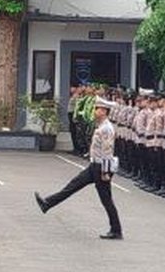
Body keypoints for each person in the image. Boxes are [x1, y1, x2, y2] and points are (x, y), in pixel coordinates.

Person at [34, 96, 123, 240]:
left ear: (104, 111)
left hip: (101, 167)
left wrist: (106, 172)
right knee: (74, 185)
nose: (95, 111)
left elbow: (108, 150)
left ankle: (116, 230)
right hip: (95, 165)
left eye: (98, 109)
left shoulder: (106, 128)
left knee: (106, 200)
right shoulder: (102, 126)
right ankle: (47, 203)